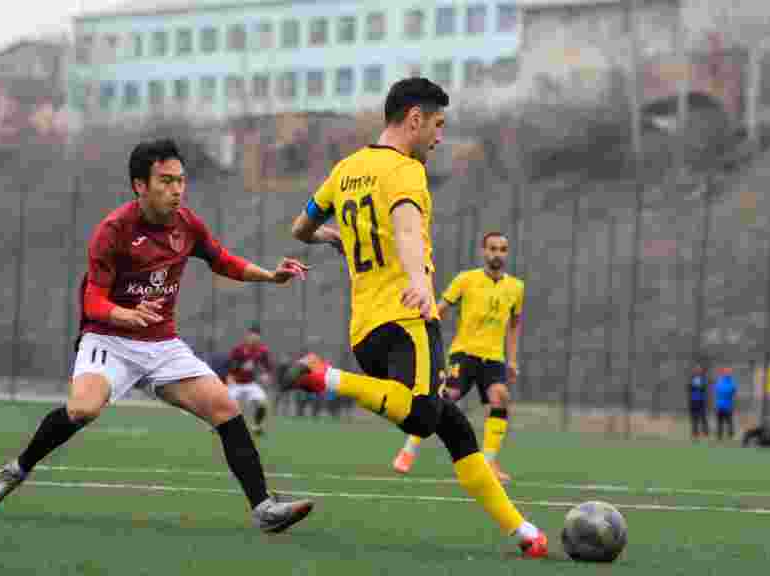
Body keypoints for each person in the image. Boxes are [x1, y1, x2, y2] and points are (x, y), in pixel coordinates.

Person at [0, 139, 315, 533]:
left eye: (181, 180)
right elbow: (92, 301)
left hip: (161, 345)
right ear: (140, 185)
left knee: (225, 408)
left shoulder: (187, 224)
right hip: (109, 339)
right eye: (166, 181)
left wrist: (269, 276)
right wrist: (127, 315)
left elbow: (222, 260)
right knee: (83, 409)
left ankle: (264, 509)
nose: (177, 189)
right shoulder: (113, 231)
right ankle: (17, 469)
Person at [285, 77, 548, 558]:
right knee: (424, 417)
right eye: (437, 125)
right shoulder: (405, 169)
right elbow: (407, 228)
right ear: (414, 119)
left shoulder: (345, 170)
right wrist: (420, 283)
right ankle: (326, 378)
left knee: (453, 426)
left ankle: (524, 532)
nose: (439, 137)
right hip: (407, 319)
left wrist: (330, 237)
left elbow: (300, 227)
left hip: (364, 330)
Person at [392, 231, 524, 482]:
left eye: (502, 249)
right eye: (493, 248)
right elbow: (440, 308)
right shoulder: (466, 279)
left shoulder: (516, 287)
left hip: (493, 358)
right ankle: (408, 450)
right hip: (464, 353)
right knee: (444, 397)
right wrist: (422, 326)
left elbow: (515, 324)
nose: (497, 254)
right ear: (484, 252)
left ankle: (489, 463)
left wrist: (513, 359)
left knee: (500, 397)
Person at [226, 323, 274, 435]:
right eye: (252, 335)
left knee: (262, 403)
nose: (255, 337)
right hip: (236, 383)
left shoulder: (262, 350)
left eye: (257, 335)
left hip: (250, 384)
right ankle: (218, 426)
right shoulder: (238, 349)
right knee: (226, 407)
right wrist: (238, 369)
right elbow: (230, 365)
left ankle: (257, 426)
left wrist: (266, 375)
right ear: (248, 335)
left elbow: (268, 366)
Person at [714, 366, 737, 440]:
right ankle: (719, 436)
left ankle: (730, 436)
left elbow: (733, 392)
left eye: (729, 372)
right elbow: (717, 392)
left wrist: (733, 403)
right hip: (720, 405)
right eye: (726, 372)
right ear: (723, 373)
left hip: (728, 405)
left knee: (729, 422)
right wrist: (716, 404)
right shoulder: (719, 381)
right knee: (720, 422)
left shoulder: (732, 382)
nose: (728, 373)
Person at [688, 363, 710, 440]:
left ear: (701, 371)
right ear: (694, 370)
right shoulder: (691, 378)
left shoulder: (703, 378)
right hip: (693, 401)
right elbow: (689, 388)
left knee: (703, 417)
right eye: (696, 369)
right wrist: (694, 386)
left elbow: (704, 388)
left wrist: (699, 387)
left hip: (701, 400)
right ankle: (695, 434)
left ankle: (706, 433)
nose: (698, 370)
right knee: (694, 418)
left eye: (699, 369)